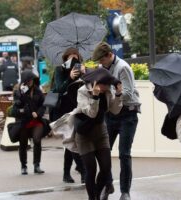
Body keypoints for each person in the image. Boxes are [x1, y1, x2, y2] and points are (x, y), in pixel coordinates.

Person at [92, 42, 141, 200]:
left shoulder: (122, 67)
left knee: (124, 154)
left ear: (108, 55)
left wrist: (111, 92)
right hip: (110, 114)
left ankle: (125, 192)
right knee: (102, 152)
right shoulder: (103, 69)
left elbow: (128, 92)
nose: (100, 63)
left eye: (101, 60)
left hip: (127, 114)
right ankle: (108, 184)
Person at [75, 68, 123, 200]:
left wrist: (118, 95)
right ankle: (93, 197)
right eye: (105, 85)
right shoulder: (82, 91)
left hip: (101, 131)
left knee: (106, 167)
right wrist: (95, 96)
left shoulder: (107, 91)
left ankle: (97, 193)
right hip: (85, 134)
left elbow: (115, 110)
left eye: (109, 85)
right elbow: (91, 113)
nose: (107, 87)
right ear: (97, 82)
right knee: (91, 170)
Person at [50, 47, 86, 183]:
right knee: (72, 140)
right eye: (70, 57)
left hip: (78, 107)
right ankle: (83, 171)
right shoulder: (60, 70)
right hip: (64, 109)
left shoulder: (81, 69)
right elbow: (59, 89)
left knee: (73, 141)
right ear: (65, 58)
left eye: (75, 57)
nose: (73, 59)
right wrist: (70, 78)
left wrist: (84, 73)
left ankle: (67, 173)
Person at [12, 71, 48, 175]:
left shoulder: (37, 91)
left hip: (36, 121)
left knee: (37, 140)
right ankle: (23, 165)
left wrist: (38, 113)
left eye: (32, 80)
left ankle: (37, 165)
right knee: (23, 143)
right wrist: (23, 95)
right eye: (29, 80)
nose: (31, 82)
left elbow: (43, 104)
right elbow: (17, 106)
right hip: (23, 121)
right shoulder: (18, 91)